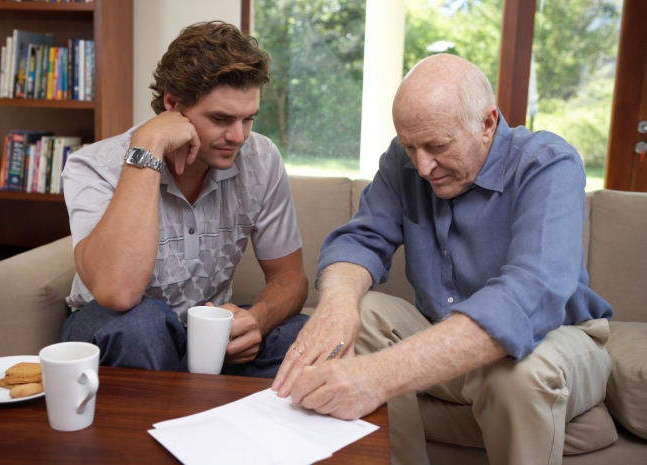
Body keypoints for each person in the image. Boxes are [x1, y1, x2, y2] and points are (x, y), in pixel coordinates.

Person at [271, 53, 613, 465]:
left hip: (555, 340)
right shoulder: (407, 161)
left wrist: (379, 376)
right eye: (410, 147)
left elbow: (531, 293)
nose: (422, 166)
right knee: (361, 308)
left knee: (518, 375)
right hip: (444, 335)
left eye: (437, 146)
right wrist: (338, 304)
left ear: (487, 123)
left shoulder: (548, 164)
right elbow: (360, 240)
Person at [60, 21, 309, 378]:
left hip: (207, 337)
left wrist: (257, 319)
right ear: (173, 105)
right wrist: (148, 148)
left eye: (248, 119)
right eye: (221, 118)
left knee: (300, 333)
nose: (238, 136)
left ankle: (226, 426)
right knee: (140, 324)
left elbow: (290, 277)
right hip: (115, 333)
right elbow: (118, 292)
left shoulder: (261, 158)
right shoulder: (94, 165)